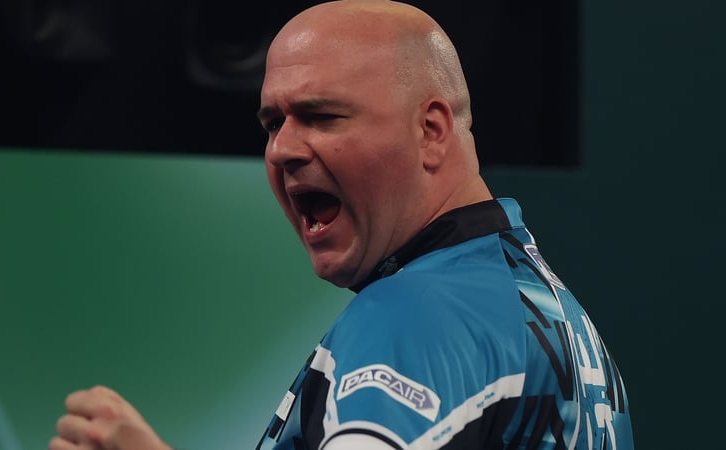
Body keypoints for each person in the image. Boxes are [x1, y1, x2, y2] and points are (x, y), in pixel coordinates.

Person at [48, 1, 634, 449]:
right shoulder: (549, 311)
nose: (281, 150)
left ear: (431, 131)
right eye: (272, 123)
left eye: (320, 116)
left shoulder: (414, 318)